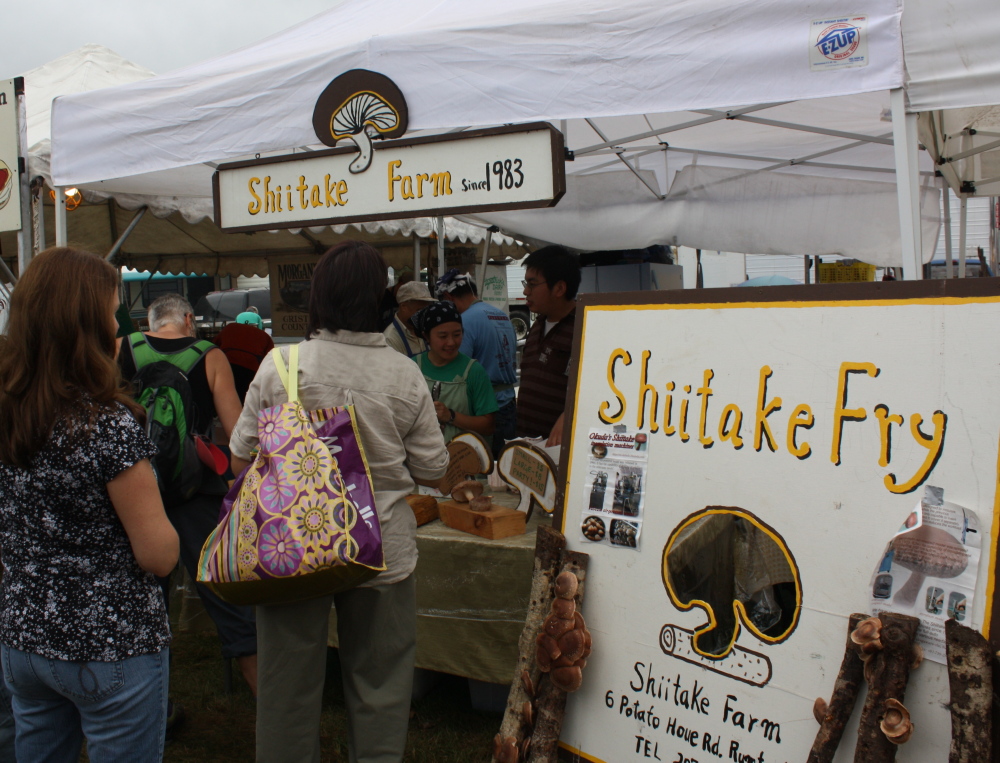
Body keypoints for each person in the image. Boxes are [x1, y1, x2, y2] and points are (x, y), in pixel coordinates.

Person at [229, 241, 448, 763]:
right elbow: (434, 470)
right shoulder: (405, 374)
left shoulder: (279, 365)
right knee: (380, 688)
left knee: (286, 688)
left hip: (292, 546)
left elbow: (240, 458)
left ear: (318, 297)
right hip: (383, 551)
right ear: (381, 299)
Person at [0, 247, 179, 761]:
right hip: (109, 644)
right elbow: (159, 554)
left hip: (24, 635)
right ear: (86, 322)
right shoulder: (106, 426)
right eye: (113, 310)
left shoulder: (10, 411)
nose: (120, 323)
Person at [118, 294, 259, 696]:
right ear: (187, 319)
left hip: (134, 488)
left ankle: (149, 708)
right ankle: (265, 699)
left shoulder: (123, 349)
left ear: (150, 322)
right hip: (196, 493)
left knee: (145, 598)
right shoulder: (211, 356)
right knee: (222, 590)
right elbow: (237, 435)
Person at [435, 269, 518, 458]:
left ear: (448, 297)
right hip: (508, 404)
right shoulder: (501, 315)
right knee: (502, 468)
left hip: (481, 410)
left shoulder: (464, 321)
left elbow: (457, 368)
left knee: (480, 468)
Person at [516, 245, 581, 447]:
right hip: (527, 446)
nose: (525, 291)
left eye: (532, 284)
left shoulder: (584, 327)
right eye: (525, 283)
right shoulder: (537, 324)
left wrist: (568, 414)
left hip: (560, 451)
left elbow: (595, 389)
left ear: (559, 288)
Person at [411, 301, 498, 445]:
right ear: (426, 336)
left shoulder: (473, 371)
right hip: (420, 457)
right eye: (443, 336)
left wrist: (450, 415)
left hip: (463, 458)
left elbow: (488, 426)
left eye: (457, 334)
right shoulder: (413, 367)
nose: (451, 342)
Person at [383, 281, 435, 358]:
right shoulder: (390, 339)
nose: (423, 314)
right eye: (419, 310)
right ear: (404, 306)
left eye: (426, 310)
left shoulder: (425, 329)